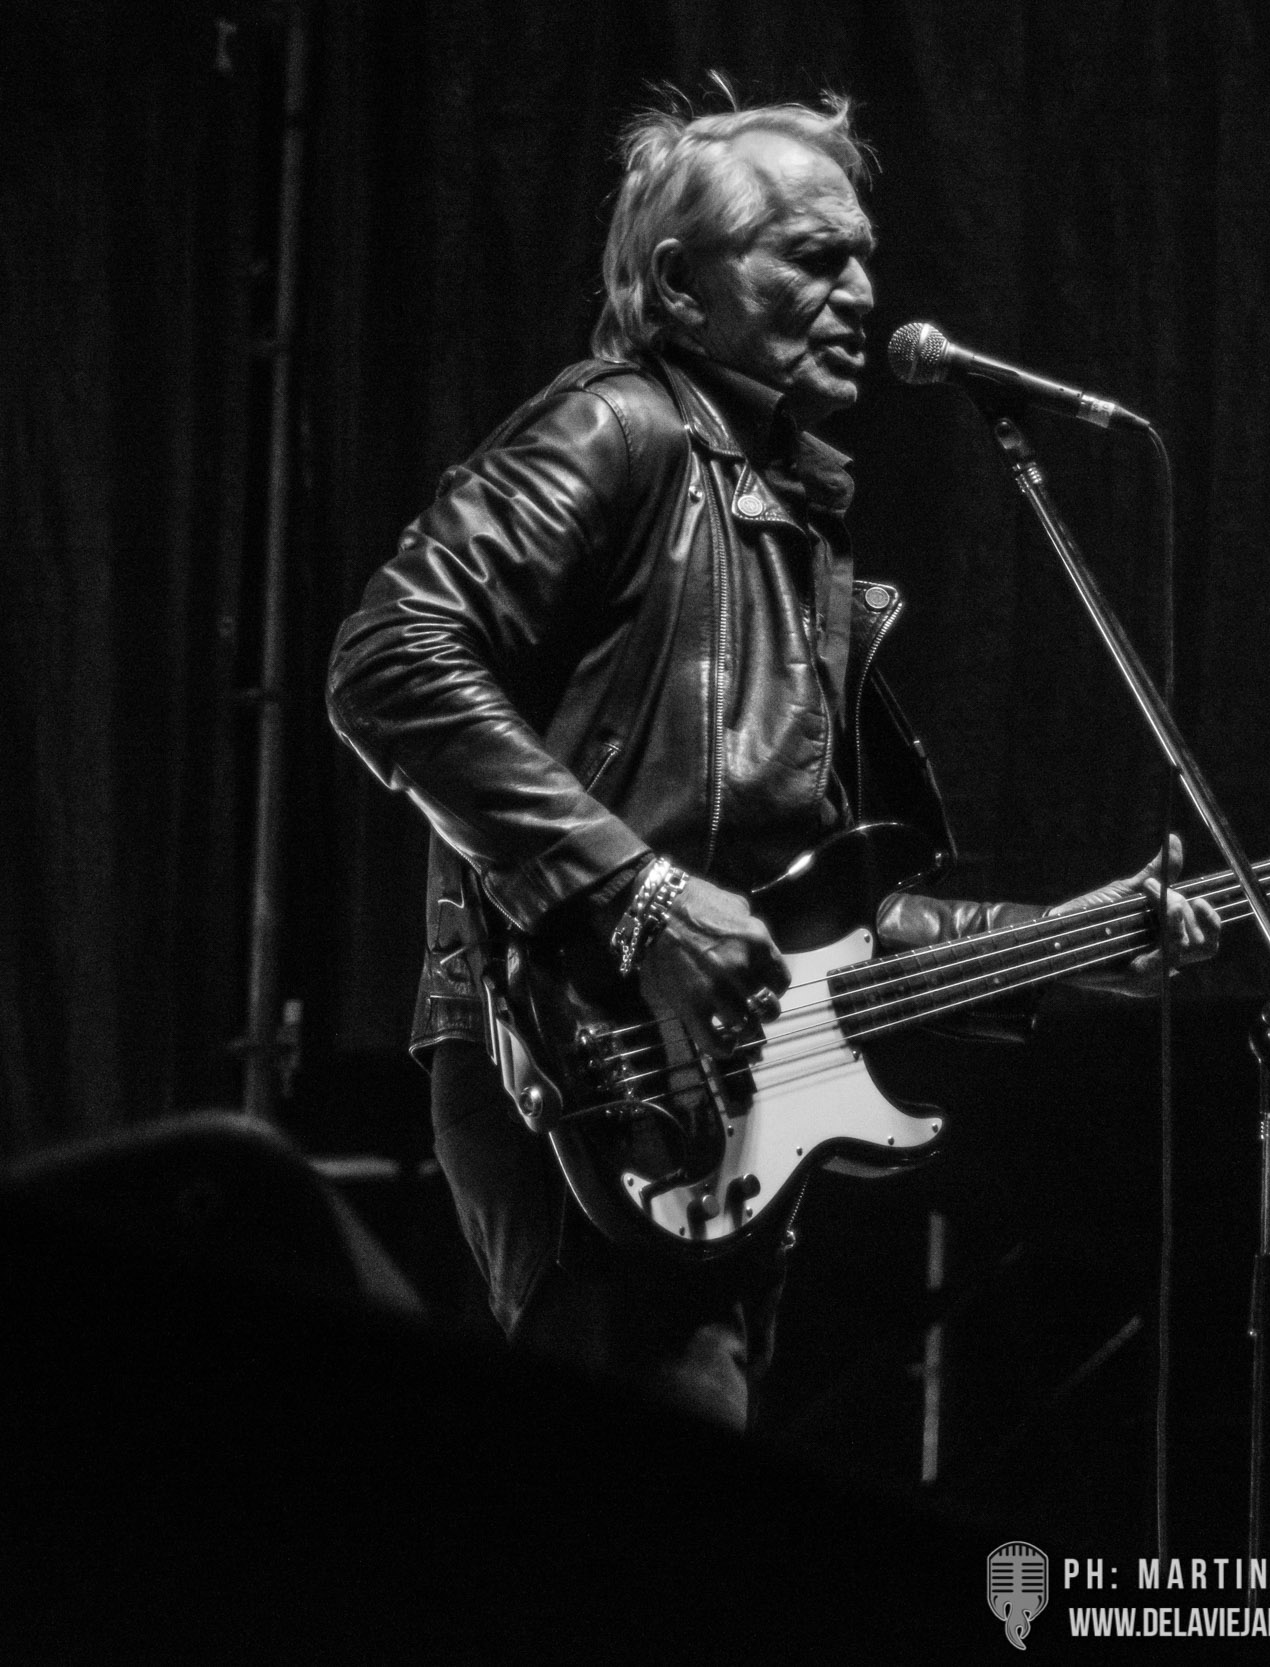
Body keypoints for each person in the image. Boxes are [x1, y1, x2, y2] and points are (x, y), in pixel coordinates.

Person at [329, 92, 1217, 1431]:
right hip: (584, 1044)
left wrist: (1064, 937)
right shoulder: (618, 429)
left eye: (863, 257)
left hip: (705, 1079)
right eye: (812, 256)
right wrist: (637, 896)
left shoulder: (789, 512)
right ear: (681, 285)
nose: (861, 293)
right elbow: (390, 656)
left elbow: (804, 911)